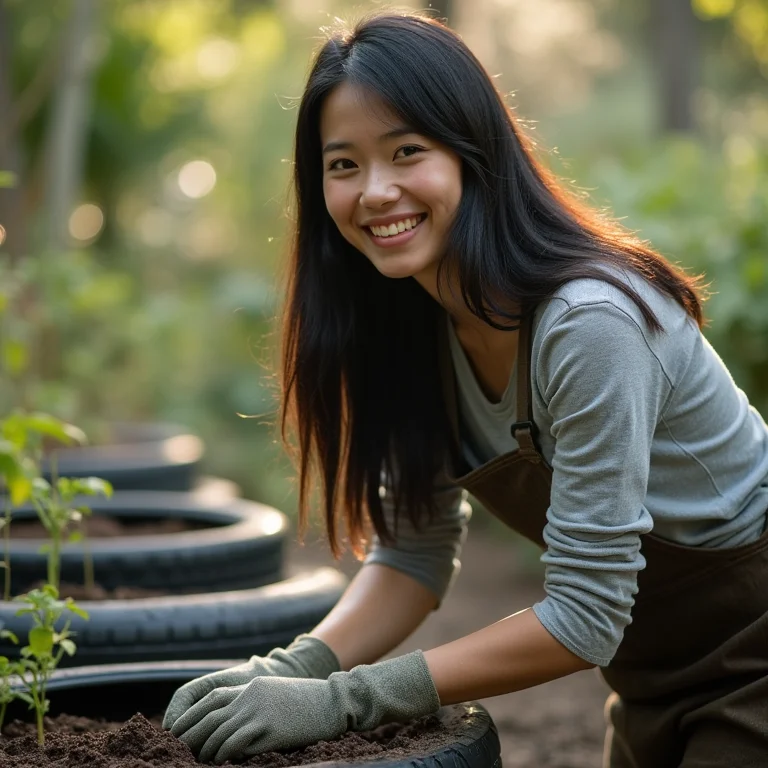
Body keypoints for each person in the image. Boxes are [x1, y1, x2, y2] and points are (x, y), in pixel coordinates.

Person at [162, 11, 768, 767]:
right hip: (651, 677)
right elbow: (414, 554)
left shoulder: (589, 325)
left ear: (474, 153)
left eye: (406, 151)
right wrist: (296, 667)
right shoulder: (413, 328)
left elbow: (585, 615)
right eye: (342, 164)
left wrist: (342, 701)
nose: (375, 191)